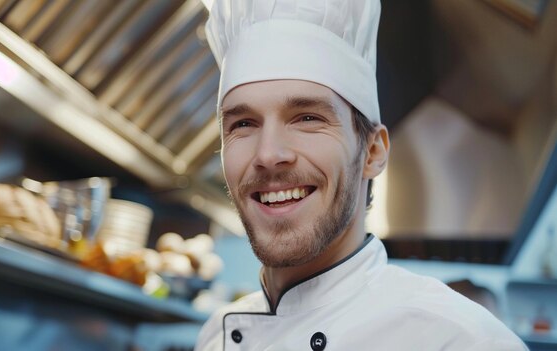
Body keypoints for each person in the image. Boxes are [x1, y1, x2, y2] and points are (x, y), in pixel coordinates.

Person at [195, 0, 527, 350]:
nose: (268, 154)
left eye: (308, 118)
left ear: (373, 152)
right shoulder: (213, 338)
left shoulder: (460, 340)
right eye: (243, 124)